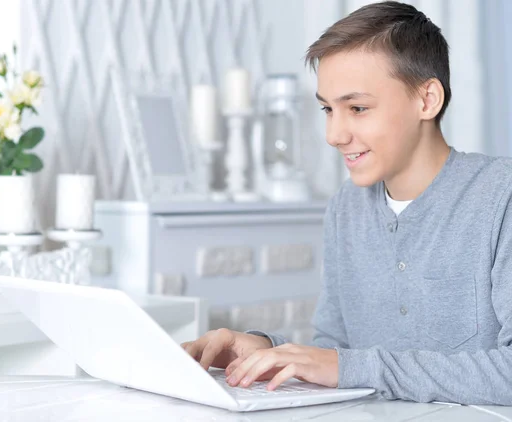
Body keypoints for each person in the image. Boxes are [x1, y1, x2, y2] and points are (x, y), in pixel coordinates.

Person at [181, 1, 512, 405]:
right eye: (328, 109)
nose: (334, 134)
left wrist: (348, 367)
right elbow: (337, 353)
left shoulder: (501, 197)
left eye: (357, 108)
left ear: (427, 100)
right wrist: (267, 350)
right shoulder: (347, 208)